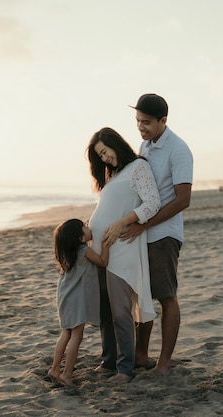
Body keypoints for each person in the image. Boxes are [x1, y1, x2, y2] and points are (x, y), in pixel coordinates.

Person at [120, 93, 194, 375]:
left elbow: (182, 199)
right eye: (138, 121)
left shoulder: (179, 149)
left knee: (166, 296)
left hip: (164, 234)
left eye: (147, 122)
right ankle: (141, 356)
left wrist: (145, 223)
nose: (141, 127)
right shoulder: (145, 145)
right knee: (142, 295)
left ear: (163, 120)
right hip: (143, 232)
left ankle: (163, 363)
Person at [87, 127, 161, 384]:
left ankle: (125, 368)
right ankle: (108, 361)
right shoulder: (114, 175)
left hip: (122, 248)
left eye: (105, 152)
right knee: (105, 310)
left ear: (115, 144)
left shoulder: (139, 167)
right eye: (100, 156)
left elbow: (152, 203)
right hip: (101, 250)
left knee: (120, 311)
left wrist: (121, 223)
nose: (105, 159)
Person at [48, 218, 111, 386]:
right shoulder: (84, 251)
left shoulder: (67, 254)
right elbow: (103, 262)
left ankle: (55, 368)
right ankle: (67, 374)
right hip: (76, 301)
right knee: (77, 335)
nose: (88, 227)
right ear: (80, 238)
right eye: (84, 226)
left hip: (64, 298)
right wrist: (105, 243)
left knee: (66, 334)